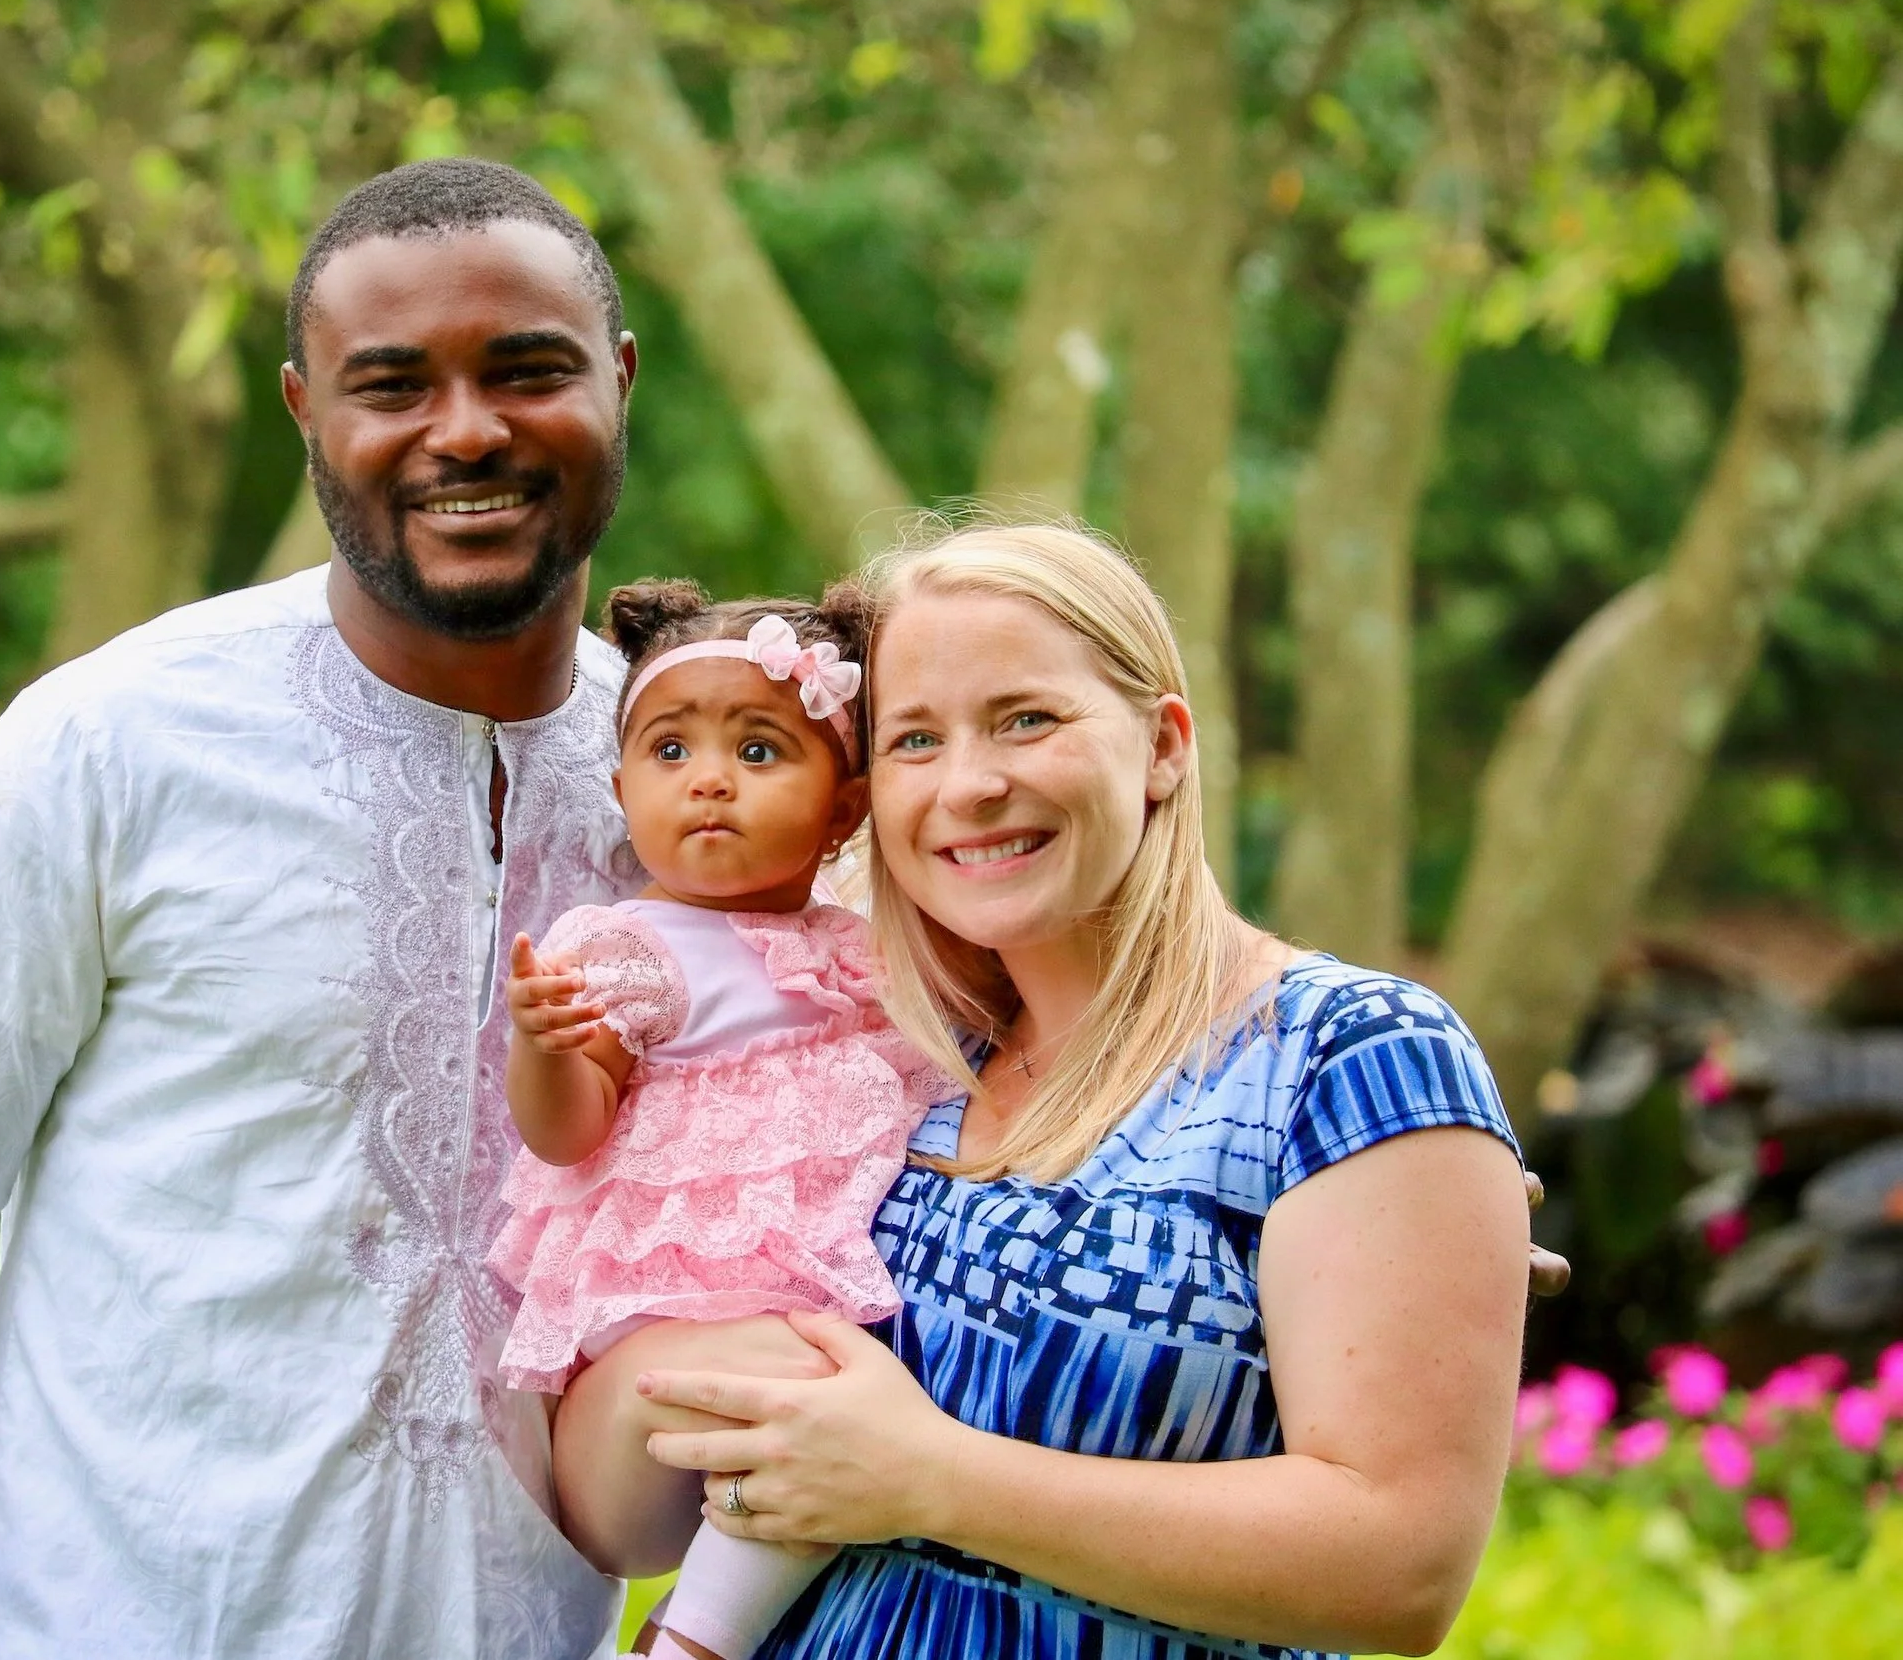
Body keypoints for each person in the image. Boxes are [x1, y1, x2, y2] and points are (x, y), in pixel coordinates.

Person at [0, 158, 641, 1659]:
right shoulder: (110, 741)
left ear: (618, 383)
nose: (468, 430)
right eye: (393, 383)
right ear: (309, 412)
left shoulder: (686, 794)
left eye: (528, 369)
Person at [574, 522, 1536, 1658]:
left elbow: (1399, 1565)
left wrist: (931, 1479)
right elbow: (619, 1523)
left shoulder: (1347, 1056)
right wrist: (668, 1369)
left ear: (1165, 744)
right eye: (916, 738)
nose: (971, 785)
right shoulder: (893, 1060)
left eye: (1026, 719)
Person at [492, 580, 946, 1660]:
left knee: (839, 1415)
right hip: (661, 1351)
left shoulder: (868, 957)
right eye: (668, 752)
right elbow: (566, 1134)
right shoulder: (627, 950)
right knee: (813, 1389)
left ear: (844, 806)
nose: (707, 779)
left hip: (800, 1344)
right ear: (619, 787)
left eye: (757, 752)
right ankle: (692, 1642)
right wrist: (546, 1049)